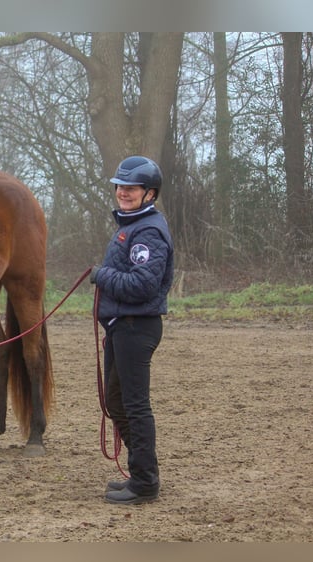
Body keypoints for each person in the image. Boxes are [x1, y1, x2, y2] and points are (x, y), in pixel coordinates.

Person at [90, 155, 174, 505]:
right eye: (120, 187)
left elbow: (143, 284)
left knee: (135, 404)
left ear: (149, 193)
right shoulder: (132, 224)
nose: (123, 192)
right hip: (122, 326)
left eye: (131, 188)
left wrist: (100, 274)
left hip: (136, 327)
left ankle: (144, 481)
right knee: (115, 400)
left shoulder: (149, 231)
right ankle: (140, 471)